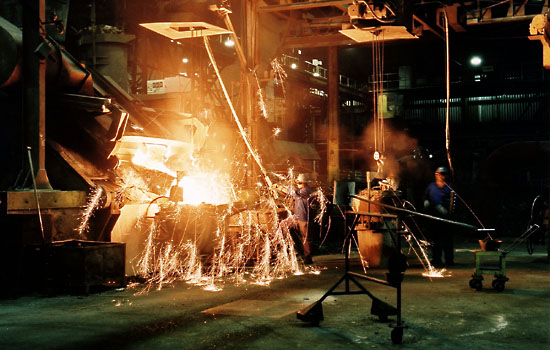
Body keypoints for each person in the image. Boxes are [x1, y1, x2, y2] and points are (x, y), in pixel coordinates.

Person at [274, 173, 314, 264]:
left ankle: (308, 258)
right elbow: (289, 194)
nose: (298, 184)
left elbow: (293, 192)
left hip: (304, 218)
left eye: (300, 183)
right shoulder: (301, 191)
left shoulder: (306, 191)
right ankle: (292, 250)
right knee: (283, 225)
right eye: (298, 183)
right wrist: (277, 189)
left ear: (305, 183)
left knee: (305, 238)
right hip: (297, 216)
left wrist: (280, 187)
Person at [423, 166, 454, 266]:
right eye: (439, 174)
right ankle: (436, 259)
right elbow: (425, 196)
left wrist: (447, 211)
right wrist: (426, 201)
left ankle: (449, 260)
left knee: (447, 239)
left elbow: (454, 201)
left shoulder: (449, 187)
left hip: (446, 217)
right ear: (436, 175)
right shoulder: (431, 187)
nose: (441, 176)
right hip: (434, 217)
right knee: (435, 240)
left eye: (443, 174)